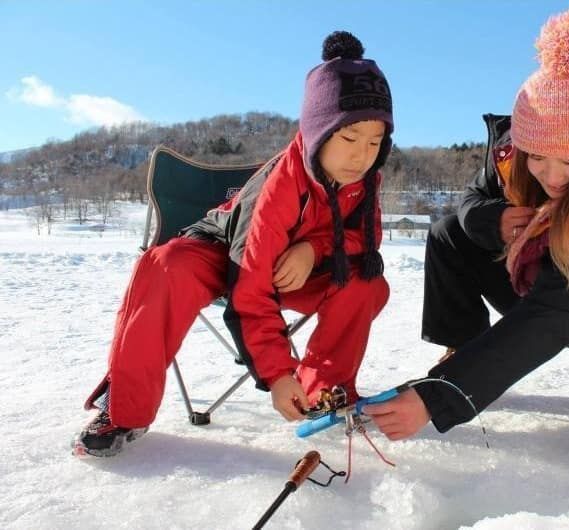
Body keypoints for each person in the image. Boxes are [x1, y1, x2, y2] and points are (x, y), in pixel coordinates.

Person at [365, 8, 569, 446]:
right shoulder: (512, 159)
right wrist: (490, 219)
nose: (552, 177)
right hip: (541, 287)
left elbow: (554, 313)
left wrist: (439, 397)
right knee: (449, 232)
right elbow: (470, 202)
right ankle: (466, 347)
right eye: (537, 157)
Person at [73, 31, 394, 457]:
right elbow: (250, 287)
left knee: (366, 284)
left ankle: (325, 394)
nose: (362, 156)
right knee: (165, 264)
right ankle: (124, 410)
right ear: (319, 133)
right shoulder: (279, 187)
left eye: (375, 142)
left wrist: (313, 249)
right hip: (223, 252)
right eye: (350, 140)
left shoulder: (365, 181)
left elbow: (366, 241)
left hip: (292, 268)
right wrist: (279, 375)